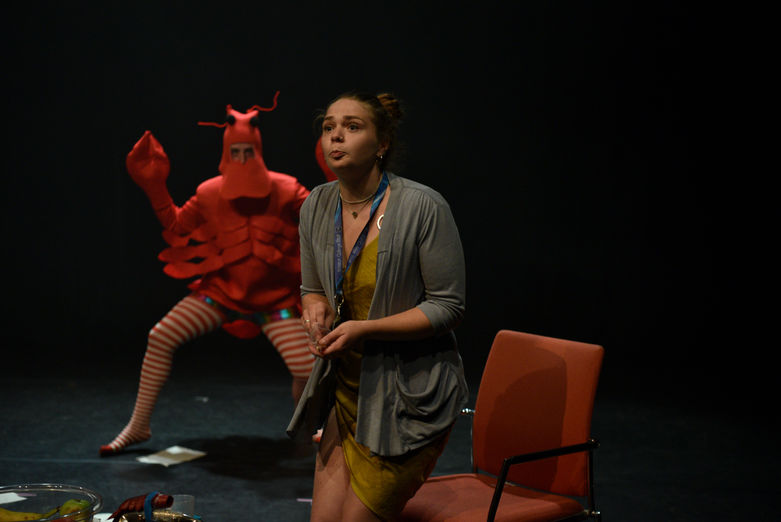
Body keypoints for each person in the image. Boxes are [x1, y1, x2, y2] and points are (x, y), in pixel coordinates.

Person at [100, 98, 325, 456]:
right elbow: (176, 225)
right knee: (160, 336)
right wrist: (154, 185)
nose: (241, 156)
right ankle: (138, 424)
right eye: (234, 150)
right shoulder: (209, 192)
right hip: (219, 296)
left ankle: (312, 425)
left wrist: (334, 177)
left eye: (247, 149)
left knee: (306, 365)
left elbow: (326, 220)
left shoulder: (287, 190)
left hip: (275, 303)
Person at [287, 91, 469, 521]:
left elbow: (449, 306)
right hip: (347, 392)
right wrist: (313, 307)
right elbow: (311, 287)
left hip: (409, 399)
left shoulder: (422, 206)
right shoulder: (316, 205)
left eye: (352, 127)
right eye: (329, 127)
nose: (336, 137)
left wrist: (364, 329)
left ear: (382, 143)